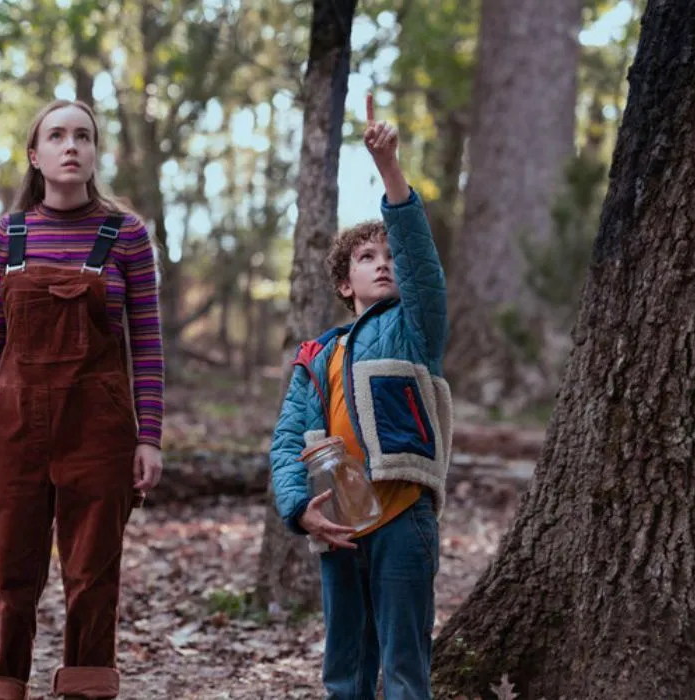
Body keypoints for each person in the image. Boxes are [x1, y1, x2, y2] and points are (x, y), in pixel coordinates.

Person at [0, 99, 165, 700]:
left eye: (83, 136)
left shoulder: (125, 235)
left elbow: (147, 345)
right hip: (14, 426)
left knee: (93, 573)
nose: (71, 145)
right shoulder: (8, 233)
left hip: (99, 430)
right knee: (5, 573)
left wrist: (148, 435)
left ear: (95, 153)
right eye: (57, 135)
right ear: (36, 154)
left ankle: (88, 690)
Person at [269, 94, 452, 700]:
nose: (385, 264)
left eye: (390, 256)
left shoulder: (413, 326)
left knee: (402, 667)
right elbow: (289, 438)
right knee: (346, 669)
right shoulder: (318, 355)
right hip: (338, 524)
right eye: (368, 257)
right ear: (345, 283)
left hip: (402, 517)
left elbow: (423, 266)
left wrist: (390, 171)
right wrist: (300, 510)